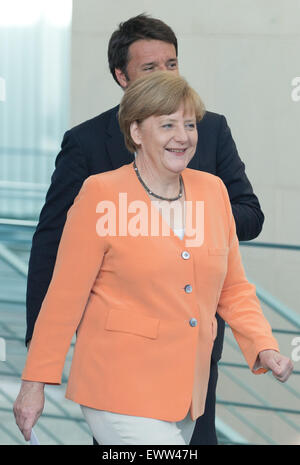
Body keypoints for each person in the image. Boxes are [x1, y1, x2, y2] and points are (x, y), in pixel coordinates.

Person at [23, 14, 265, 445]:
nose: (182, 137)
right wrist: (39, 367)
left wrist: (205, 219)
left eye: (172, 64)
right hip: (119, 366)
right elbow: (54, 256)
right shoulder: (87, 149)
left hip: (193, 353)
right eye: (150, 68)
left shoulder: (209, 137)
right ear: (122, 76)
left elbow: (244, 235)